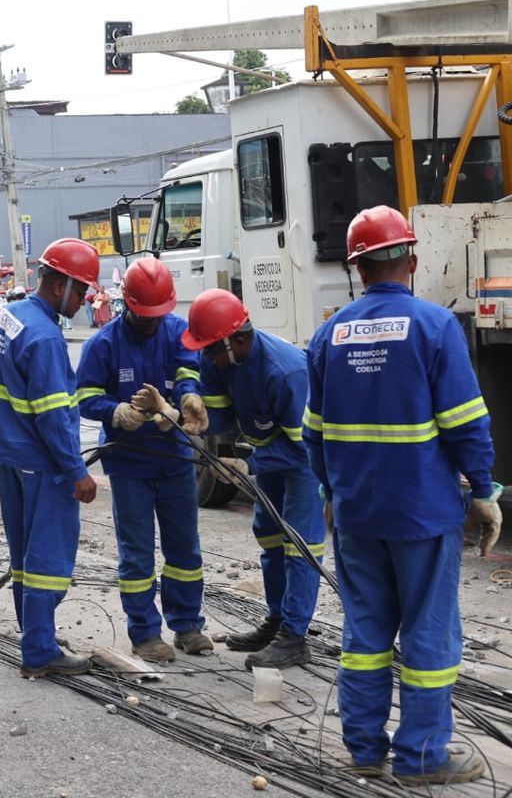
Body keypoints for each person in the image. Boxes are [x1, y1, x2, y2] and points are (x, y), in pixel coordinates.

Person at [304, 205, 496, 784]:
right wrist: (484, 491)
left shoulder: (327, 335)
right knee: (428, 634)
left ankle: (364, 747)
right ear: (411, 259)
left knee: (365, 634)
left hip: (358, 513)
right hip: (422, 513)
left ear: (356, 269)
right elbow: (467, 425)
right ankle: (420, 759)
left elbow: (313, 434)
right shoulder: (434, 327)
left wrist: (332, 491)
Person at [76, 257, 212, 663]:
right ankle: (145, 633)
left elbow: (190, 368)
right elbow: (85, 396)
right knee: (136, 553)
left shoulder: (177, 332)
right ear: (128, 305)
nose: (153, 322)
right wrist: (115, 412)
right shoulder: (103, 344)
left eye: (159, 315)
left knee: (184, 549)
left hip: (174, 459)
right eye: (145, 315)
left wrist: (189, 394)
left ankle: (187, 626)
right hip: (130, 464)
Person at [183, 288, 324, 669]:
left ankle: (294, 636)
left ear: (239, 339)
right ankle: (277, 620)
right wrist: (201, 413)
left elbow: (305, 448)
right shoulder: (218, 359)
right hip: (271, 457)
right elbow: (224, 417)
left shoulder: (287, 372)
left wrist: (250, 465)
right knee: (269, 535)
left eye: (211, 349)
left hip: (300, 461)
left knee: (299, 545)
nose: (205, 357)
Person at [0, 238, 100, 678]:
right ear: (59, 286)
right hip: (42, 460)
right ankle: (40, 651)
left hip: (10, 454)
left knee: (24, 554)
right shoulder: (46, 338)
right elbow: (53, 417)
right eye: (82, 291)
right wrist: (77, 470)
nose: (85, 301)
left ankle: (36, 634)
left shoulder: (10, 316)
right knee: (48, 558)